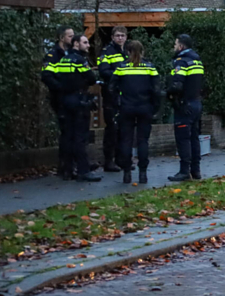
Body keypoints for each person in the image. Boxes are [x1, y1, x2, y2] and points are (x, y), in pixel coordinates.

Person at [110, 40, 160, 184]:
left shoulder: (121, 67)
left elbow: (112, 87)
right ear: (142, 51)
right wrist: (155, 108)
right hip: (145, 108)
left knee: (126, 140)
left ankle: (127, 172)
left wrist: (117, 103)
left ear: (127, 52)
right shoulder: (150, 67)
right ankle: (143, 173)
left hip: (126, 108)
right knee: (143, 141)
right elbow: (157, 90)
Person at [63, 34, 101, 182]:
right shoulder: (80, 61)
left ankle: (68, 169)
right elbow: (91, 79)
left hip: (66, 100)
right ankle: (83, 170)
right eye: (85, 43)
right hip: (79, 100)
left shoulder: (63, 60)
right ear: (76, 44)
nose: (88, 45)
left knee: (69, 136)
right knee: (80, 137)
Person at [167, 34, 204, 182]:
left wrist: (169, 94)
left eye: (176, 44)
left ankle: (184, 171)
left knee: (183, 139)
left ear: (181, 46)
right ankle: (196, 170)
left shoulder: (181, 62)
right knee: (194, 138)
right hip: (196, 104)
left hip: (185, 105)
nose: (174, 47)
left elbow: (177, 84)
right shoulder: (197, 61)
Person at [41, 24, 75, 180]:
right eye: (69, 36)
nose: (72, 38)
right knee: (67, 132)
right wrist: (62, 88)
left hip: (72, 98)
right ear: (61, 38)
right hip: (60, 99)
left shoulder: (72, 53)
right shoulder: (53, 56)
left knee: (72, 133)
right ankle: (65, 166)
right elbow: (47, 76)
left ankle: (70, 164)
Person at [97, 26, 128, 173]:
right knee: (112, 128)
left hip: (125, 94)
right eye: (117, 36)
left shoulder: (127, 52)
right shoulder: (106, 52)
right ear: (112, 37)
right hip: (111, 94)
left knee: (123, 128)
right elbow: (104, 71)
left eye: (122, 36)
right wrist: (120, 75)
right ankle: (109, 161)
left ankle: (121, 159)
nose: (120, 38)